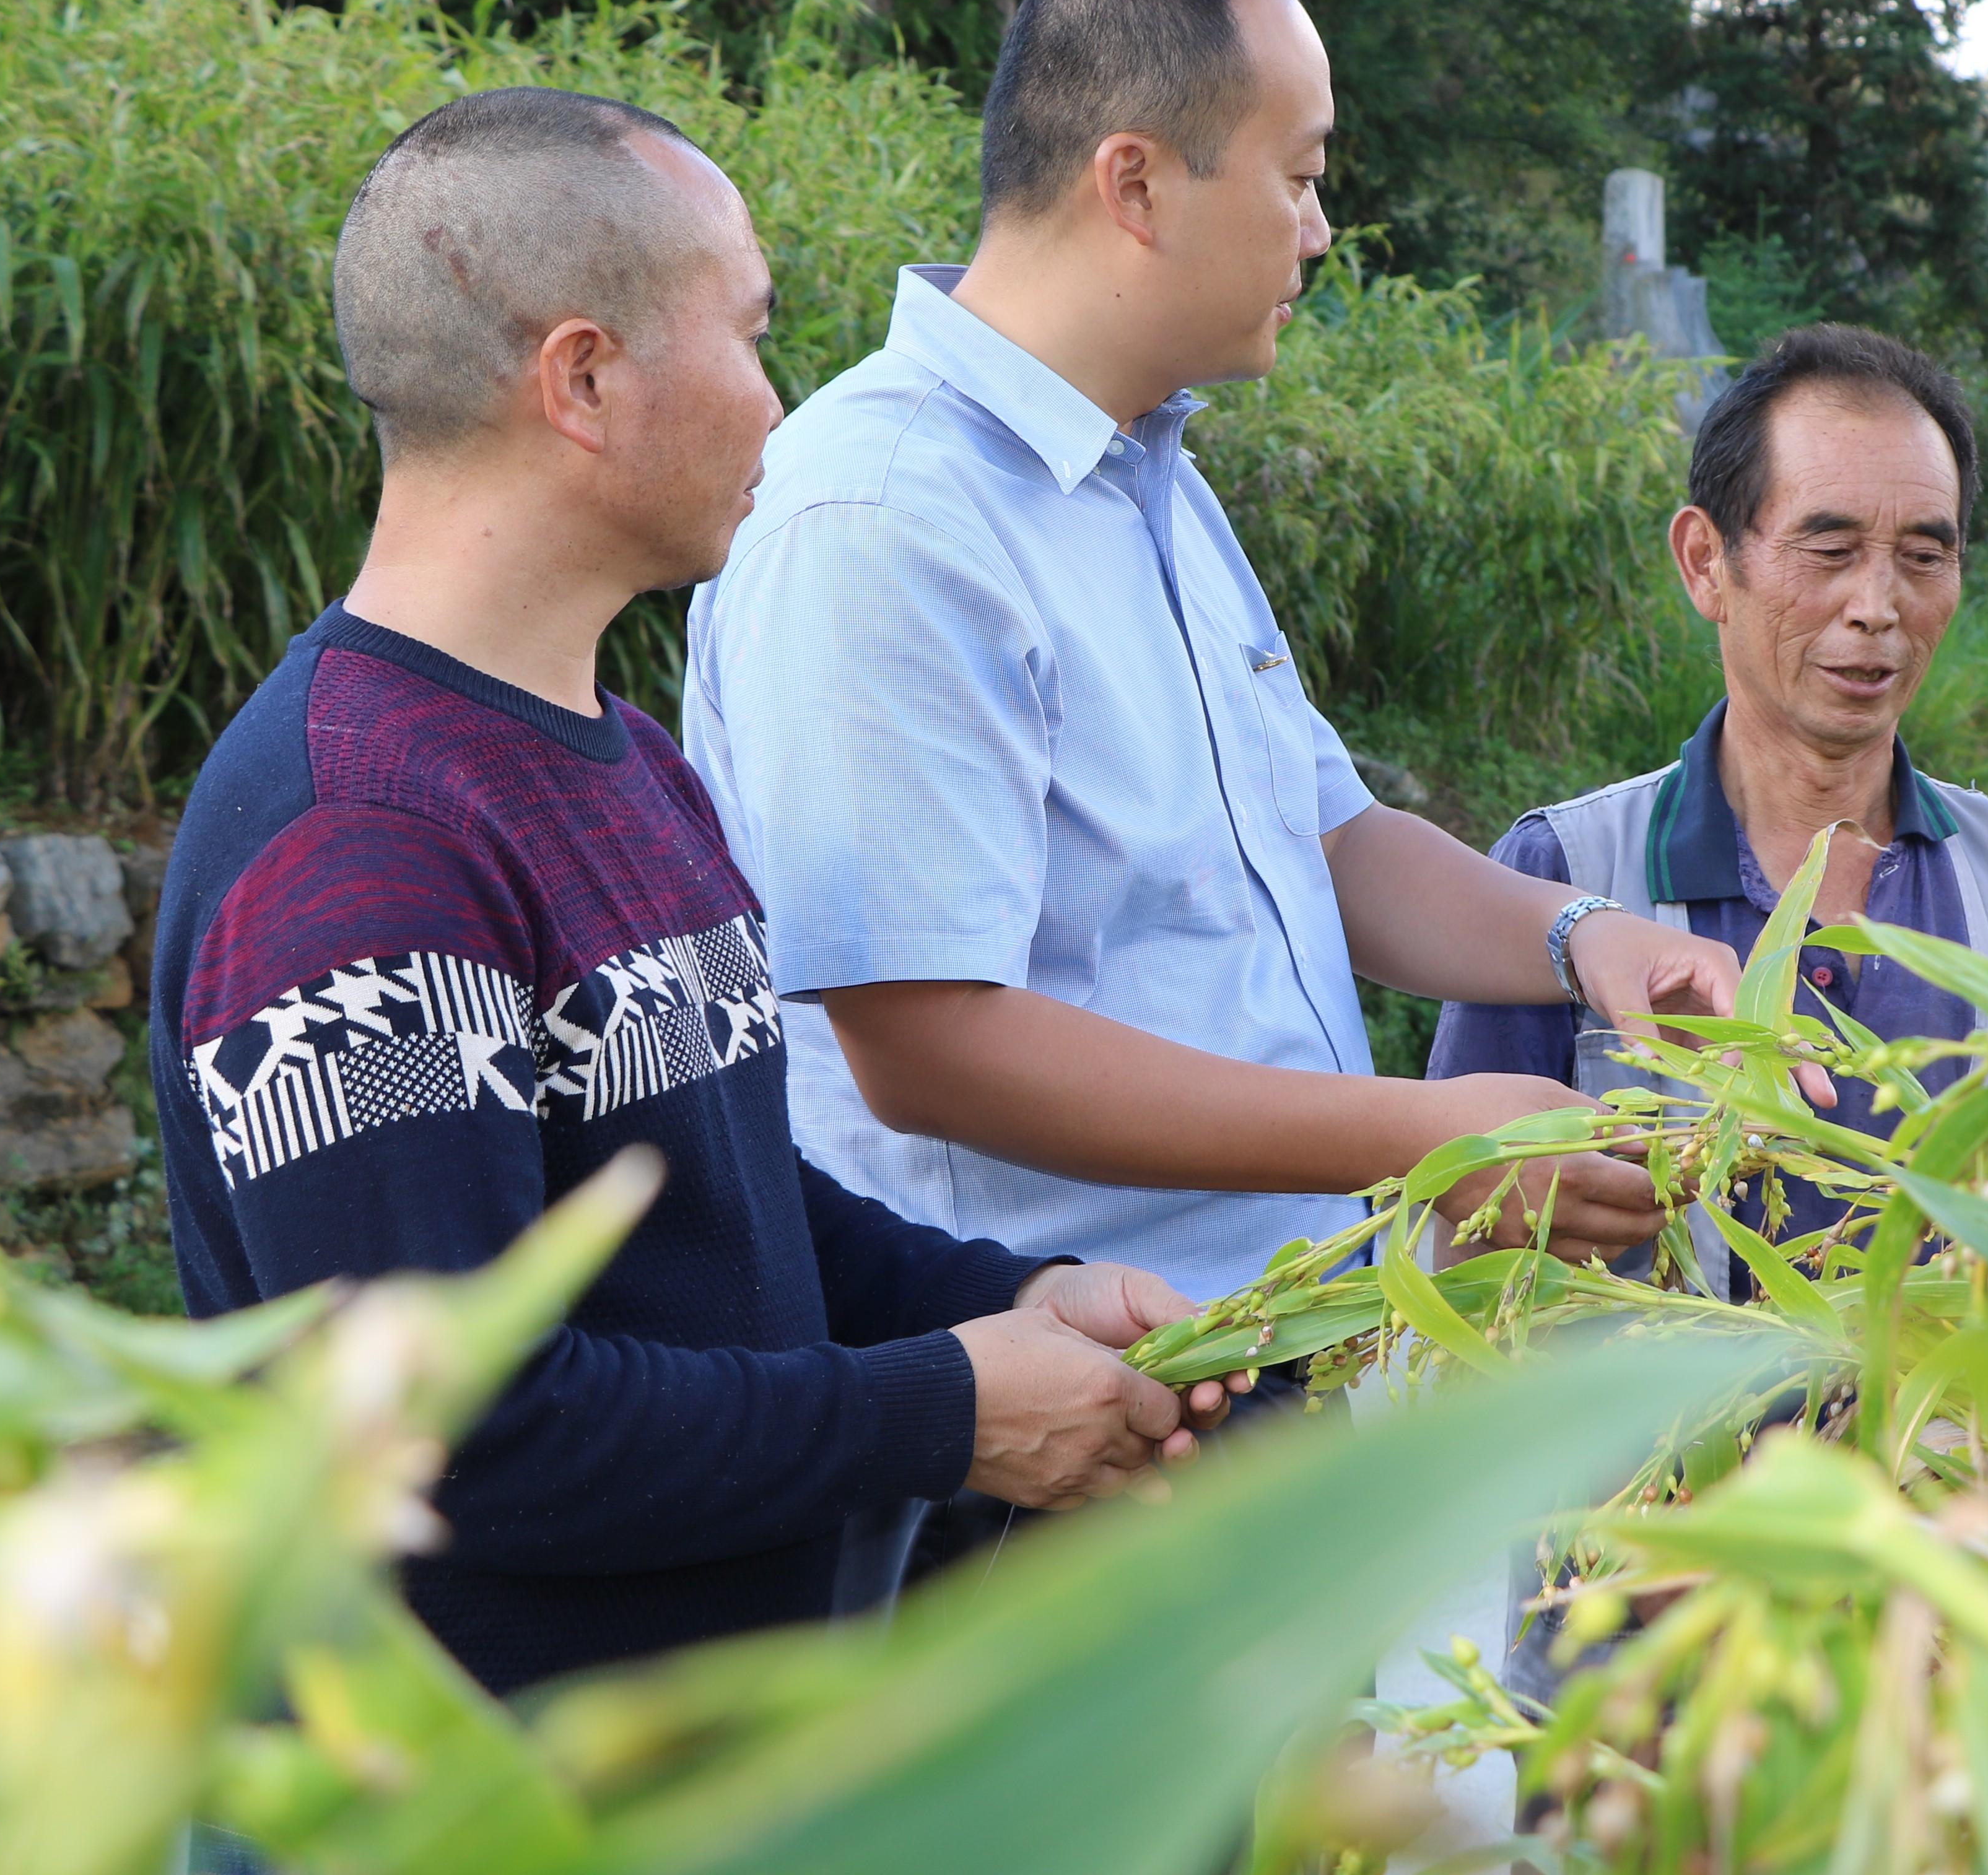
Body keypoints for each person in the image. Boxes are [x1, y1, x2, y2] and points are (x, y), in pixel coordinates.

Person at [144, 87, 1244, 1699]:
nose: (779, 403)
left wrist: (1015, 1297)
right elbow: (457, 1433)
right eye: (748, 333)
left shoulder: (624, 761)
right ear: (583, 379)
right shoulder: (357, 842)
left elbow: (729, 1200)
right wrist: (948, 1410)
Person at [682, 0, 1740, 1325]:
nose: (1317, 229)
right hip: (1052, 1401)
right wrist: (1421, 1140)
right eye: (1297, 177)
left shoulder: (1150, 480)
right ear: (1135, 181)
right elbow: (926, 1043)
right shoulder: (883, 519)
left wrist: (1584, 934)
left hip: (1268, 1340)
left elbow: (1326, 835)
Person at [1428, 324, 1988, 1273]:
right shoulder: (1564, 875)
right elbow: (1466, 1251)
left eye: (1923, 557)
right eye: (1830, 550)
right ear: (1706, 563)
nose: (1878, 605)